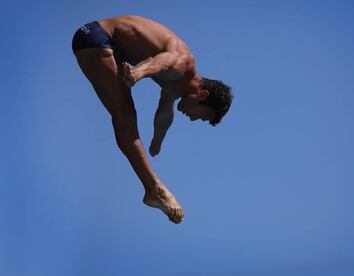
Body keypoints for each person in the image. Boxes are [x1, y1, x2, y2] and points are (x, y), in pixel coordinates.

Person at [72, 15, 233, 224]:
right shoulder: (182, 64)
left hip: (113, 48)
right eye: (201, 116)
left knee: (126, 114)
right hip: (95, 37)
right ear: (202, 95)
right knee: (125, 115)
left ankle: (152, 188)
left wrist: (157, 140)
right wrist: (138, 73)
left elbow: (164, 113)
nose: (193, 119)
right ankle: (154, 188)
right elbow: (160, 62)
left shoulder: (176, 89)